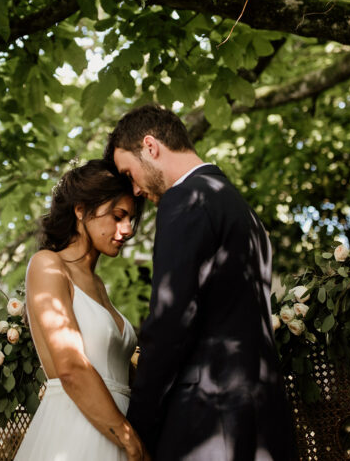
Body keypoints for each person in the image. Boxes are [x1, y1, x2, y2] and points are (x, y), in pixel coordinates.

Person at [106, 105, 295, 461]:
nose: (135, 188)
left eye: (129, 173)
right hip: (260, 421)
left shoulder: (185, 199)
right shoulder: (239, 207)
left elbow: (170, 324)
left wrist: (139, 426)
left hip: (207, 423)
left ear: (150, 146)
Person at [15, 159, 151, 461]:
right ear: (81, 209)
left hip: (120, 429)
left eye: (130, 219)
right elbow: (71, 367)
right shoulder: (48, 265)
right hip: (76, 431)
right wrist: (130, 441)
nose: (127, 229)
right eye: (118, 216)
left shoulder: (100, 285)